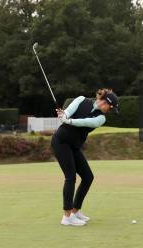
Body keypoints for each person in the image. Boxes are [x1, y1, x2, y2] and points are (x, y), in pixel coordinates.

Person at [51, 88, 119, 226]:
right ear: (105, 103)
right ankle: (67, 216)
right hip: (61, 142)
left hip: (74, 146)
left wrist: (68, 121)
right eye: (110, 108)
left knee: (88, 177)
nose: (109, 111)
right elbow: (68, 112)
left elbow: (85, 122)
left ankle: (75, 211)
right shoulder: (81, 99)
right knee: (70, 177)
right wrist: (64, 115)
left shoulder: (101, 118)